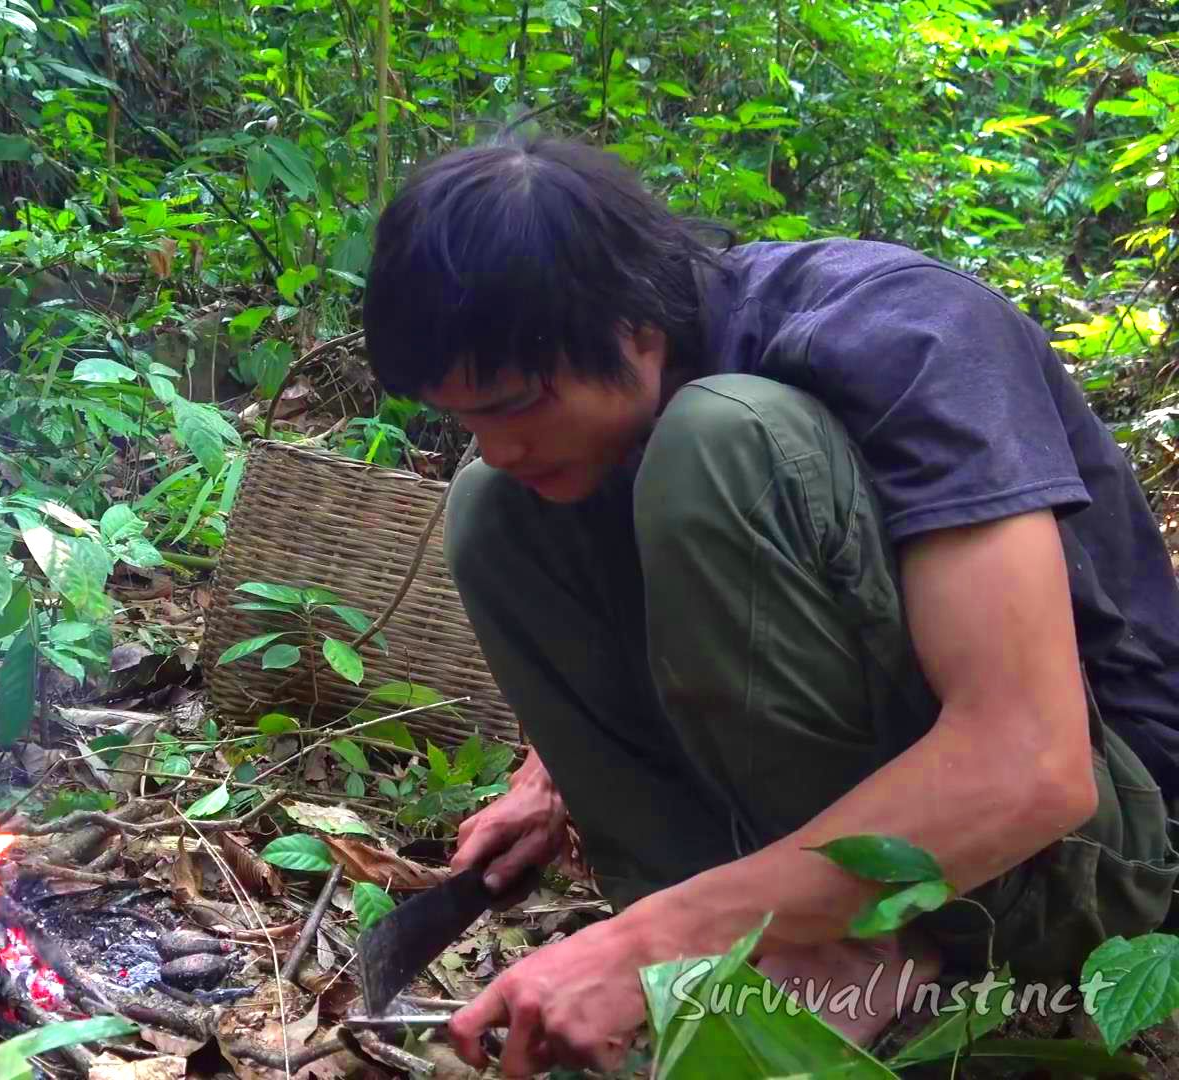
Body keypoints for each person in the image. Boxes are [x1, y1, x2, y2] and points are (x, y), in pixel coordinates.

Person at [358, 132, 1179, 1076]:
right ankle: (764, 943)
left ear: (636, 328)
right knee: (493, 505)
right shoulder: (607, 405)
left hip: (1079, 862)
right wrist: (550, 775)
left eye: (516, 404)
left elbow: (1034, 765)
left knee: (723, 441)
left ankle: (841, 948)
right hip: (852, 838)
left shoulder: (909, 335)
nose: (498, 442)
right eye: (467, 416)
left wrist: (645, 944)